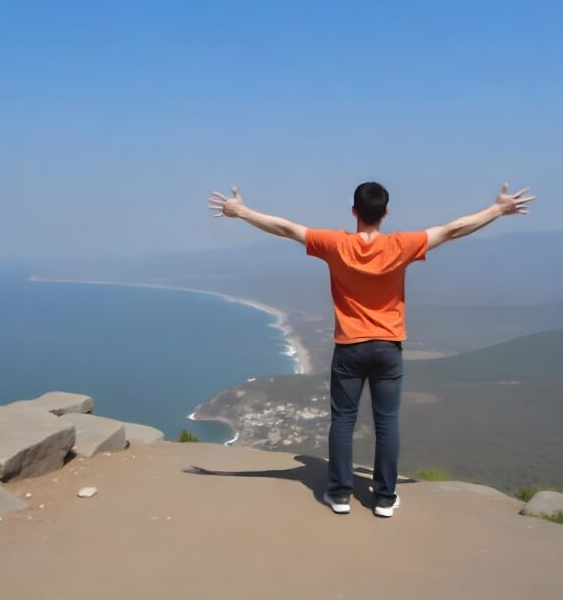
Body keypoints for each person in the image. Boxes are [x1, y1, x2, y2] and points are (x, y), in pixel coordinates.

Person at [207, 182, 535, 518]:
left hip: (349, 347)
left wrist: (241, 211)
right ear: (385, 213)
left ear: (353, 212)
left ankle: (339, 495)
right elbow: (453, 229)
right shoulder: (401, 245)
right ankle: (383, 498)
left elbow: (286, 228)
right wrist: (498, 209)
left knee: (343, 420)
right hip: (387, 347)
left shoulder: (334, 244)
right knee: (387, 422)